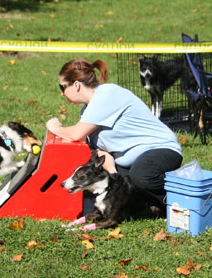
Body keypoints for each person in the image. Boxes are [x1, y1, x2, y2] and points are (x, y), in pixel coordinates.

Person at [46, 58, 183, 214]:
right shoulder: (87, 110)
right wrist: (111, 170)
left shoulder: (106, 95)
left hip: (161, 150)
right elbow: (99, 150)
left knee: (141, 176)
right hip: (131, 162)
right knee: (106, 181)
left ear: (76, 85)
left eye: (62, 87)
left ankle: (183, 201)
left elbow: (76, 134)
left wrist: (56, 127)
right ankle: (146, 207)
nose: (61, 93)